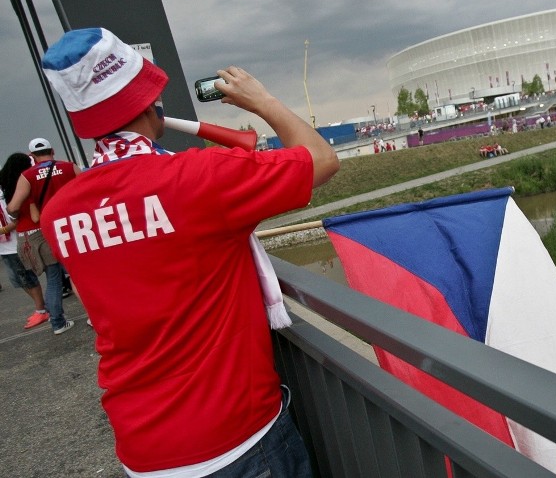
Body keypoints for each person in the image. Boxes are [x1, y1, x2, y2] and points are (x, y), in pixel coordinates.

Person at [38, 28, 339, 476]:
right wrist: (263, 102)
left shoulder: (58, 213)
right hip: (236, 440)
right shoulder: (198, 178)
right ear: (148, 100)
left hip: (142, 450)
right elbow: (321, 159)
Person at [6, 137, 79, 334]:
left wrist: (14, 215)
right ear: (52, 150)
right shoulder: (70, 167)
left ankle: (57, 322)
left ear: (32, 156)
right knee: (80, 272)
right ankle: (96, 315)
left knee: (54, 278)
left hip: (48, 231)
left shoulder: (27, 176)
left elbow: (13, 207)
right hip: (73, 226)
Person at [0, 155, 49, 325]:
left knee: (27, 277)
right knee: (18, 279)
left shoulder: (14, 186)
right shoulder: (8, 185)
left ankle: (42, 308)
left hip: (16, 240)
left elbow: (16, 213)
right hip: (5, 245)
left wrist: (5, 229)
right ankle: (43, 307)